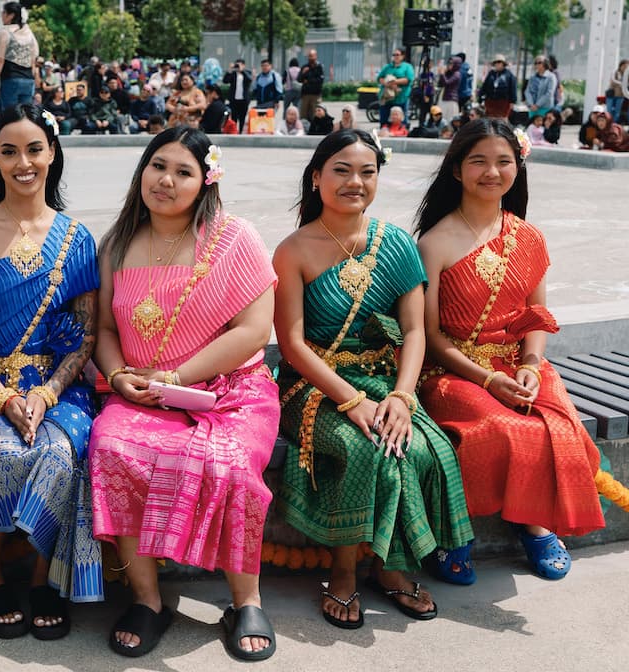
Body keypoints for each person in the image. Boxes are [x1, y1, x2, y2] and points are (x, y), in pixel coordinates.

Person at [90, 127, 279, 661]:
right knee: (111, 447)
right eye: (158, 166)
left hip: (229, 389)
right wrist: (118, 375)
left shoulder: (233, 238)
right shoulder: (118, 244)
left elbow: (253, 331)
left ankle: (246, 600)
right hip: (142, 390)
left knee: (231, 463)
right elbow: (104, 329)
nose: (166, 181)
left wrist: (178, 378)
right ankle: (147, 600)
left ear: (206, 182)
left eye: (183, 172)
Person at [272, 129, 473, 629]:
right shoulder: (293, 250)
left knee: (419, 449)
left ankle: (390, 567)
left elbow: (415, 331)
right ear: (316, 178)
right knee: (363, 447)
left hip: (385, 380)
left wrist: (402, 397)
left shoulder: (396, 243)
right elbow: (292, 345)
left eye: (367, 172)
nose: (355, 182)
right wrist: (349, 400)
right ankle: (343, 573)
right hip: (314, 385)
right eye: (341, 171)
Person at [415, 118, 605, 583]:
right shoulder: (433, 243)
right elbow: (432, 336)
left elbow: (536, 317)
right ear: (456, 169)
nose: (492, 172)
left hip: (520, 365)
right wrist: (486, 378)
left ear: (518, 167)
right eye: (478, 161)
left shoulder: (529, 237)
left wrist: (533, 367)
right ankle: (455, 530)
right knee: (500, 430)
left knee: (559, 428)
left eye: (503, 161)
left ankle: (533, 523)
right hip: (454, 371)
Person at [0, 105, 103, 640]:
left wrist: (48, 394)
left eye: (34, 149)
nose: (23, 163)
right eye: (9, 152)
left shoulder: (77, 238)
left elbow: (85, 335)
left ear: (52, 153)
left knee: (61, 451)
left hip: (59, 388)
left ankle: (43, 579)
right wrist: (3, 397)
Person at [0, 2, 39, 112]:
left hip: (11, 78)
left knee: (10, 115)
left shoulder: (5, 32)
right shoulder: (28, 32)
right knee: (26, 114)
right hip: (28, 79)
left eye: (4, 12)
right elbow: (34, 56)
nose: (2, 15)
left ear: (11, 15)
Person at [376, 47, 415, 126]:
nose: (395, 56)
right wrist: (387, 84)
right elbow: (380, 78)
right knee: (384, 121)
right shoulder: (388, 67)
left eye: (397, 54)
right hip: (387, 99)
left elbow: (408, 79)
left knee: (401, 121)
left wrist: (394, 82)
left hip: (401, 98)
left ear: (402, 56)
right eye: (394, 55)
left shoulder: (407, 67)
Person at [479, 55, 517, 120]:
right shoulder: (491, 74)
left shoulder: (509, 75)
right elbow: (484, 86)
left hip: (503, 102)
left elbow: (513, 89)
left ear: (503, 63)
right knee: (490, 120)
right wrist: (480, 97)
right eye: (495, 62)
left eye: (499, 62)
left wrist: (512, 101)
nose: (497, 64)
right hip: (490, 102)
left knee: (501, 120)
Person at [223, 59, 252, 131]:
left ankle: (241, 131)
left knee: (242, 117)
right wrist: (229, 71)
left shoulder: (247, 73)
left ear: (244, 65)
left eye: (239, 65)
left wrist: (242, 71)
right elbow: (225, 81)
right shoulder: (233, 74)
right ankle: (234, 131)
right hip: (234, 99)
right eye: (237, 65)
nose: (238, 67)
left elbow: (249, 79)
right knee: (234, 117)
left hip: (244, 99)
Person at [297, 49, 325, 122]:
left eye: (312, 56)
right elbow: (299, 79)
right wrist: (303, 73)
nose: (310, 58)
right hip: (305, 95)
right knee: (303, 116)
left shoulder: (319, 67)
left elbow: (320, 80)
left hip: (316, 95)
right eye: (309, 56)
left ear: (316, 56)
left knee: (315, 115)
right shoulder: (305, 67)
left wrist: (308, 80)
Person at [610, 59, 629, 124]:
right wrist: (622, 83)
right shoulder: (615, 72)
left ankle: (614, 124)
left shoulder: (627, 74)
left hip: (621, 95)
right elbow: (613, 80)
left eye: (627, 66)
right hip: (612, 94)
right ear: (620, 65)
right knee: (610, 110)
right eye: (624, 66)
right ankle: (609, 123)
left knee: (617, 111)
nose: (625, 67)